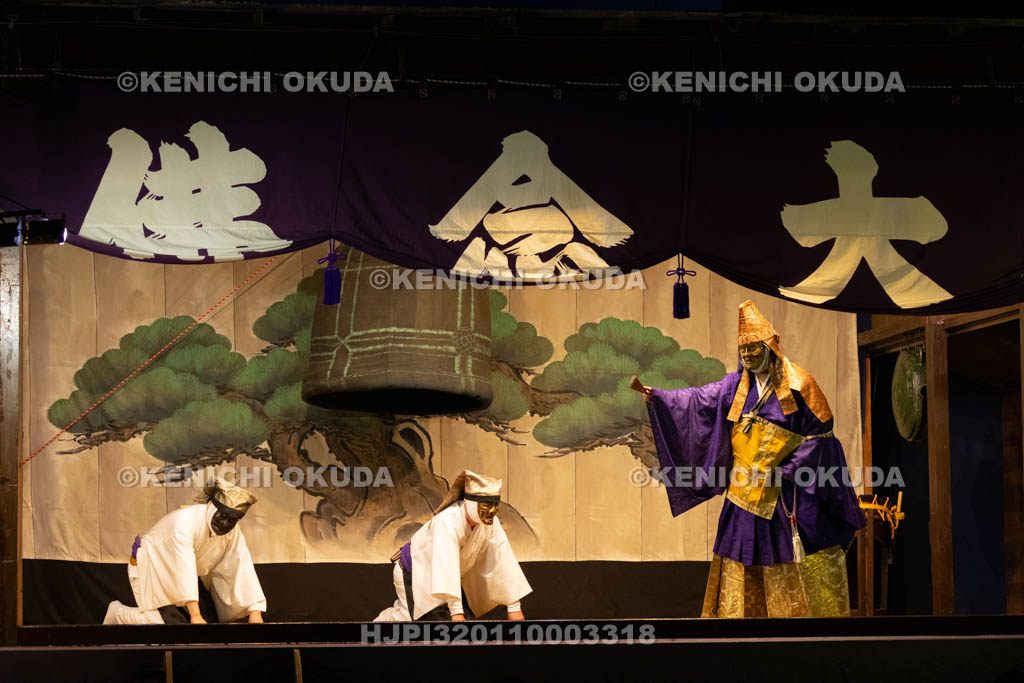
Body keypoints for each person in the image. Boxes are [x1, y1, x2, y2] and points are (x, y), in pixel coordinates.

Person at [633, 300, 865, 618]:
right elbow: (698, 400)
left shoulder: (799, 385)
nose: (749, 355)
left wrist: (789, 471)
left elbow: (821, 437)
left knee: (798, 568)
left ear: (770, 346)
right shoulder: (736, 385)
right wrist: (659, 396)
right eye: (743, 349)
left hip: (787, 495)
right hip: (743, 496)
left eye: (755, 348)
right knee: (739, 569)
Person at [103, 477, 266, 625]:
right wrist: (195, 615)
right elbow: (183, 567)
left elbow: (241, 565)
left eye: (232, 520)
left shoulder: (232, 531)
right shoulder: (184, 523)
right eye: (222, 516)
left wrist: (255, 613)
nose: (224, 523)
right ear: (210, 505)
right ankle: (118, 613)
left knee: (209, 621)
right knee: (169, 623)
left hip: (187, 571)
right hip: (153, 560)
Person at [374, 470, 531, 622]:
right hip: (415, 573)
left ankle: (404, 610)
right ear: (468, 503)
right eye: (486, 505)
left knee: (466, 626)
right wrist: (456, 614)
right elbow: (446, 565)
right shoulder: (447, 522)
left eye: (495, 505)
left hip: (446, 577)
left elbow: (502, 559)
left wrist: (514, 607)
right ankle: (387, 620)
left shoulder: (491, 523)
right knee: (421, 625)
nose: (491, 511)